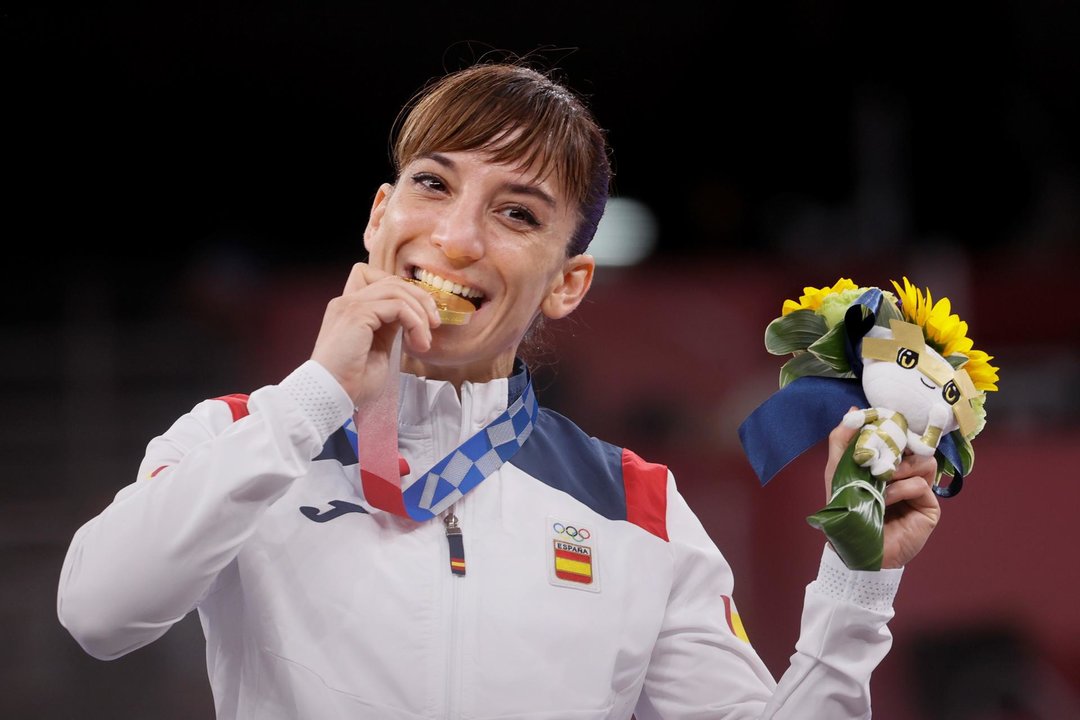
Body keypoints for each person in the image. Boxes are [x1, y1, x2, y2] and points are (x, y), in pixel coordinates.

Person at [57, 57, 941, 719]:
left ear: (567, 283)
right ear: (378, 218)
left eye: (516, 213)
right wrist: (316, 397)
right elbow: (100, 613)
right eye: (432, 184)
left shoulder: (637, 507)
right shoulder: (241, 437)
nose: (456, 237)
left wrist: (856, 585)